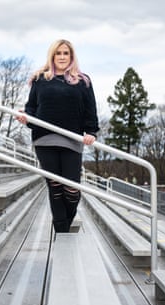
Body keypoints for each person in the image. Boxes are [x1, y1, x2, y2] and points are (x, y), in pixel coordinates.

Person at [16, 39, 99, 233]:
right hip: (44, 139)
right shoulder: (40, 79)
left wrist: (91, 132)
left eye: (65, 53)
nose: (62, 57)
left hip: (72, 139)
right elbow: (32, 108)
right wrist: (26, 118)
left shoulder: (83, 81)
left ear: (71, 56)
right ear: (52, 56)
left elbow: (90, 109)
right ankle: (61, 230)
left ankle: (64, 223)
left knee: (71, 189)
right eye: (58, 53)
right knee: (55, 187)